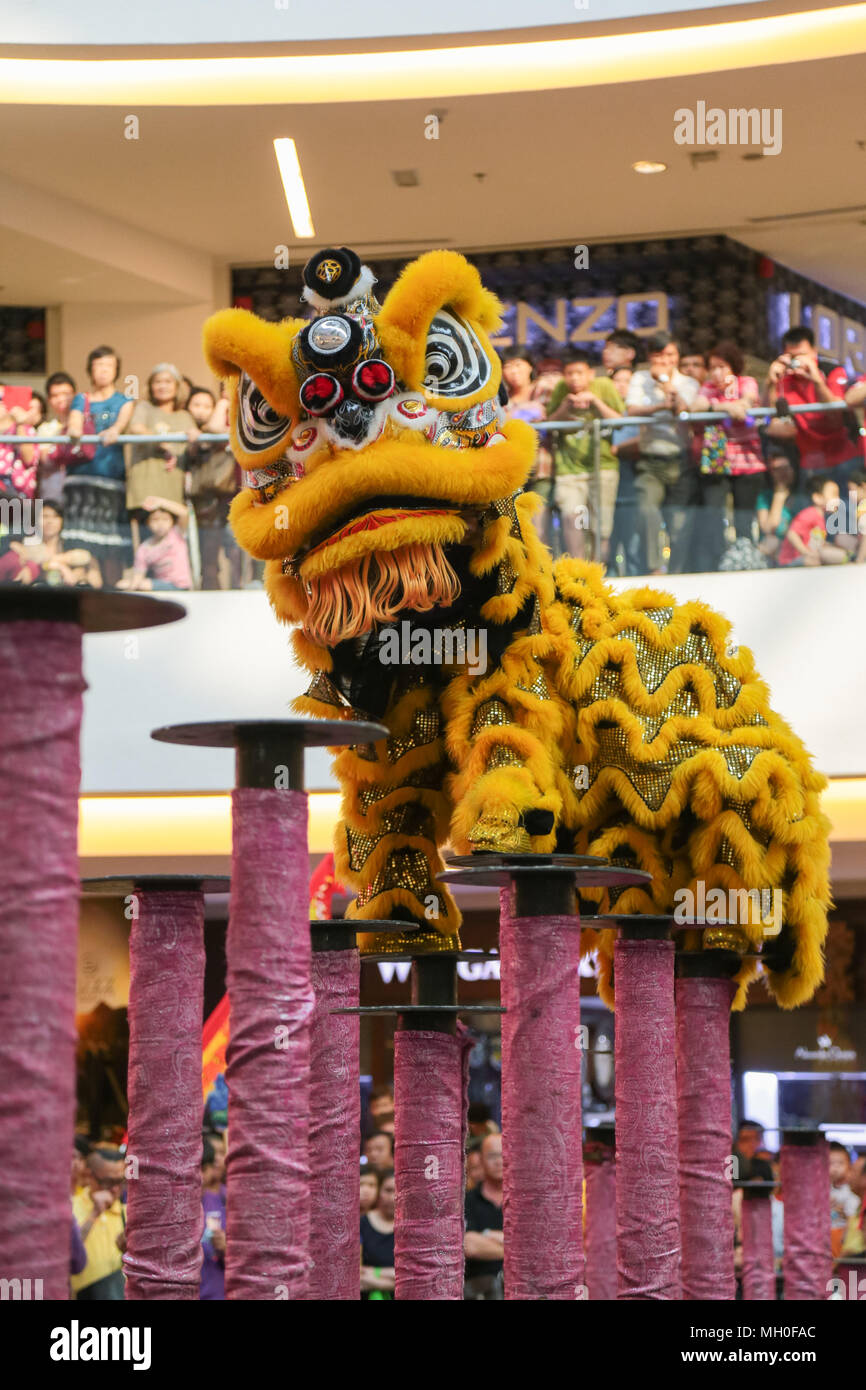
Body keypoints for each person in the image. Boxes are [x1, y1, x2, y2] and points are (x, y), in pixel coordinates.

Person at [626, 330, 701, 573]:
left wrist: (665, 382)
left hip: (681, 460)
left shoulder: (688, 383)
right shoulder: (639, 378)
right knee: (646, 510)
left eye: (670, 355)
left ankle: (678, 572)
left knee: (679, 523)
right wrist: (660, 406)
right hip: (650, 461)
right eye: (659, 355)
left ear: (677, 356)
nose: (665, 360)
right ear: (650, 356)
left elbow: (682, 409)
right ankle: (655, 569)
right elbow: (632, 410)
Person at [692, 341, 765, 570]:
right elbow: (696, 407)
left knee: (744, 516)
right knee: (714, 513)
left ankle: (746, 561)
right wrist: (724, 407)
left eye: (721, 367)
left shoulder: (747, 382)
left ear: (733, 366)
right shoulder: (707, 388)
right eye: (712, 367)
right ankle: (717, 561)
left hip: (747, 456)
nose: (716, 373)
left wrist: (729, 405)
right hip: (717, 453)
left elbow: (747, 402)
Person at [65, 346, 134, 585]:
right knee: (84, 550)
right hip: (80, 478)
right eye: (98, 365)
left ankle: (114, 596)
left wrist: (115, 430)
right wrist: (75, 430)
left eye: (109, 366)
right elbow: (74, 424)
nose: (103, 370)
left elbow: (121, 424)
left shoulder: (124, 401)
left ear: (116, 370)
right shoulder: (81, 399)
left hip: (111, 479)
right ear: (90, 369)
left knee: (112, 547)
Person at [546, 350, 623, 564]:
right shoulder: (561, 390)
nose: (574, 378)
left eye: (579, 373)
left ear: (590, 373)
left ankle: (599, 572)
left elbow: (619, 422)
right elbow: (550, 425)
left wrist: (596, 402)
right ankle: (578, 572)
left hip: (603, 467)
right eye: (569, 373)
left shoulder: (604, 386)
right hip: (569, 470)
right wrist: (565, 406)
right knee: (573, 521)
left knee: (601, 527)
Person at [764, 326, 861, 484]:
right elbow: (772, 416)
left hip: (845, 457)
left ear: (814, 352)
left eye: (802, 355)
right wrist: (771, 383)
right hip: (810, 461)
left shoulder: (831, 371)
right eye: (792, 356)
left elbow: (835, 413)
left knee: (850, 500)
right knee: (812, 501)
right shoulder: (785, 378)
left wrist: (816, 379)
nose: (797, 361)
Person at [182, 386, 240, 589]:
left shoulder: (238, 415)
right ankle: (209, 589)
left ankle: (238, 590)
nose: (202, 410)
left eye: (207, 406)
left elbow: (218, 429)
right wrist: (223, 403)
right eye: (197, 405)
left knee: (235, 548)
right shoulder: (191, 429)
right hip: (206, 497)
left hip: (232, 493)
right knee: (208, 549)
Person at [127, 364, 195, 522]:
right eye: (157, 382)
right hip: (146, 484)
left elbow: (193, 448)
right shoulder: (144, 408)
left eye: (168, 382)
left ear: (177, 387)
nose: (162, 386)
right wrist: (164, 443)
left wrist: (196, 435)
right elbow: (136, 428)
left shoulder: (184, 416)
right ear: (150, 386)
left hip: (173, 487)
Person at [70, 1148, 126, 1300]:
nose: (115, 1189)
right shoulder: (71, 1208)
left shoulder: (128, 1212)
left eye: (119, 1182)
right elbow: (68, 1254)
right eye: (108, 1182)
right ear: (90, 1176)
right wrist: (94, 1214)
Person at [117, 496, 192, 591]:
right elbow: (138, 576)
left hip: (181, 585)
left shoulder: (176, 534)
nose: (160, 524)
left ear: (172, 521)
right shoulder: (144, 548)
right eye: (155, 520)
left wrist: (160, 502)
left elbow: (184, 513)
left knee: (142, 585)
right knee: (122, 584)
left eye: (165, 519)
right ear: (147, 523)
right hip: (161, 585)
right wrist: (131, 589)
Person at [777, 472, 848, 567]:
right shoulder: (810, 514)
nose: (838, 499)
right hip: (791, 560)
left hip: (806, 557)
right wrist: (806, 553)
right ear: (817, 498)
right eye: (834, 495)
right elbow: (791, 534)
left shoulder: (820, 517)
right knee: (818, 561)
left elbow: (815, 542)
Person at [464, 1133, 504, 1299]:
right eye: (492, 1156)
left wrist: (485, 1235)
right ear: (480, 1160)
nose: (499, 1161)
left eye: (503, 1154)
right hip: (478, 1290)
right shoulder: (467, 1200)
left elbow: (536, 1244)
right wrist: (521, 1250)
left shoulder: (525, 1199)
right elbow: (469, 1246)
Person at [755, 456, 806, 563]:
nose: (783, 473)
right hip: (774, 548)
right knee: (770, 542)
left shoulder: (802, 496)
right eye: (777, 469)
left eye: (786, 468)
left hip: (798, 546)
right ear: (771, 474)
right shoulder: (765, 497)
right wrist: (779, 497)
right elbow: (768, 529)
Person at [37, 372, 77, 502]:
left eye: (66, 394)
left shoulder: (86, 426)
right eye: (55, 395)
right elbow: (45, 461)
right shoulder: (45, 428)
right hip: (52, 494)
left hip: (78, 492)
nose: (61, 399)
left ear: (75, 395)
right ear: (49, 400)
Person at [360, 1168, 395, 1299]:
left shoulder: (410, 1228)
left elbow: (415, 1276)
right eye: (388, 1190)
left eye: (399, 1191)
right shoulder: (361, 1224)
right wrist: (394, 1276)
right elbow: (356, 1275)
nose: (393, 1197)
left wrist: (374, 1273)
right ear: (379, 1191)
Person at [200, 1136, 227, 1300]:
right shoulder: (169, 1208)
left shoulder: (226, 1201)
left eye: (203, 1169)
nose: (197, 1177)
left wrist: (227, 1248)